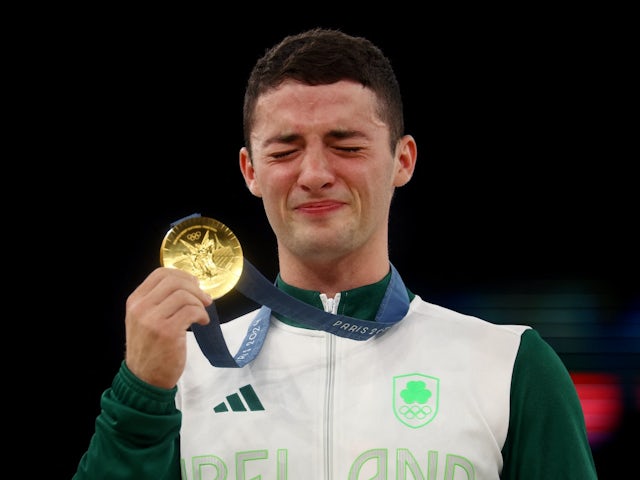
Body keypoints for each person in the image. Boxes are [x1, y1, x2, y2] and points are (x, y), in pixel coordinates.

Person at [73, 28, 597, 479]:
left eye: (347, 146)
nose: (315, 173)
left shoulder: (510, 365)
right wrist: (139, 397)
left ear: (403, 160)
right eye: (284, 150)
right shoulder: (181, 376)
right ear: (250, 170)